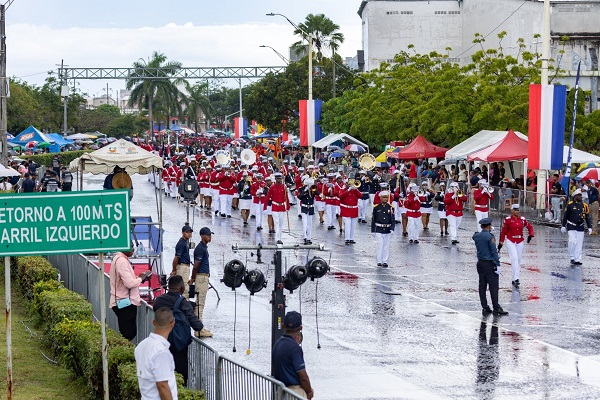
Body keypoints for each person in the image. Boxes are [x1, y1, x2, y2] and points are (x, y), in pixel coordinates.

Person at [153, 275, 203, 386]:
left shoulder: (159, 301)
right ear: (182, 289)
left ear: (168, 286)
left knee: (163, 375)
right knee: (180, 378)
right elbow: (198, 326)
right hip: (179, 347)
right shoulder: (183, 303)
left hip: (161, 343)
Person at [135, 307, 178, 400]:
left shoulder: (141, 346)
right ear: (172, 324)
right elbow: (162, 386)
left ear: (153, 322)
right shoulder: (161, 352)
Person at [110, 247, 151, 340]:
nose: (133, 249)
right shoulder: (122, 261)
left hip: (122, 301)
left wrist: (139, 278)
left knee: (127, 333)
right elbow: (129, 284)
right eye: (131, 246)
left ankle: (125, 352)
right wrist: (140, 279)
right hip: (125, 302)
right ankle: (124, 353)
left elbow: (126, 280)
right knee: (128, 334)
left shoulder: (119, 259)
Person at [271, 311, 314, 399]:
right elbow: (303, 377)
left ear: (283, 325)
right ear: (300, 328)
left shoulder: (277, 344)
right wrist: (309, 391)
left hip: (280, 391)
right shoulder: (295, 348)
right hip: (294, 393)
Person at [472, 218, 508, 316]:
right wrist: (497, 264)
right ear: (489, 226)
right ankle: (496, 307)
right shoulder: (490, 237)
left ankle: (485, 306)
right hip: (489, 264)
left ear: (481, 226)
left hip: (480, 263)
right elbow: (494, 252)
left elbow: (475, 235)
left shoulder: (476, 236)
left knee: (482, 286)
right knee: (493, 287)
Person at [498, 204, 534, 287]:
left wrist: (530, 235)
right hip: (510, 240)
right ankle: (516, 278)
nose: (517, 211)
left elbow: (530, 227)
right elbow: (503, 232)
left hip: (520, 241)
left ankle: (514, 278)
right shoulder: (507, 220)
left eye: (518, 210)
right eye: (515, 210)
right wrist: (501, 243)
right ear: (512, 211)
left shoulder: (522, 219)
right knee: (514, 258)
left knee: (518, 260)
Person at [189, 227, 214, 338]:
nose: (210, 237)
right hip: (201, 277)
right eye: (208, 235)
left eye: (210, 235)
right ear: (202, 236)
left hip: (203, 277)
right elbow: (196, 266)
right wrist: (193, 278)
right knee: (200, 304)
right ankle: (198, 329)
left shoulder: (203, 247)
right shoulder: (200, 248)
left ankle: (200, 327)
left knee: (200, 303)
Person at [561, 189, 593, 265]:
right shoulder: (570, 204)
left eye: (581, 195)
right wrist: (563, 225)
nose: (580, 197)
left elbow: (587, 217)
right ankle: (572, 256)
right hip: (571, 225)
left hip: (580, 226)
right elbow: (565, 216)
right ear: (575, 196)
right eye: (578, 195)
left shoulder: (584, 206)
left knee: (579, 243)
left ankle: (577, 259)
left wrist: (589, 227)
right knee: (572, 241)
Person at [264, 172, 290, 244]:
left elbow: (286, 197)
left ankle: (280, 238)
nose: (279, 180)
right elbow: (267, 197)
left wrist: (287, 206)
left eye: (280, 178)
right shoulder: (272, 187)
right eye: (278, 178)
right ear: (275, 179)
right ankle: (277, 239)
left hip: (282, 207)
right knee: (277, 222)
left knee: (281, 223)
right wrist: (265, 207)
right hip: (275, 206)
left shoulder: (283, 187)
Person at [371, 191, 395, 267]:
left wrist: (392, 228)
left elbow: (392, 219)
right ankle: (379, 260)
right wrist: (373, 230)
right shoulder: (376, 207)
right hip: (379, 228)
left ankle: (385, 261)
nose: (385, 199)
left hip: (387, 229)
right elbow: (373, 219)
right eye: (384, 197)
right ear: (380, 198)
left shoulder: (391, 207)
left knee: (386, 246)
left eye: (386, 197)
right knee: (380, 244)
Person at [171, 225, 193, 299]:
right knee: (184, 287)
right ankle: (184, 303)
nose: (189, 234)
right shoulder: (181, 243)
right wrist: (174, 270)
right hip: (182, 266)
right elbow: (176, 258)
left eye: (190, 232)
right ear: (182, 233)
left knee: (184, 286)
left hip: (185, 266)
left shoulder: (185, 242)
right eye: (187, 232)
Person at [339, 179, 362, 245]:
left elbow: (360, 196)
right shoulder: (342, 190)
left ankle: (351, 238)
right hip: (346, 210)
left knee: (352, 225)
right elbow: (341, 196)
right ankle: (347, 239)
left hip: (354, 210)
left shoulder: (354, 191)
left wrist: (356, 189)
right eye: (347, 183)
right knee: (347, 225)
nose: (349, 185)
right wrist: (348, 190)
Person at [298, 178, 318, 244]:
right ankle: (305, 237)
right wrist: (305, 191)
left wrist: (313, 188)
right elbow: (299, 197)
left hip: (311, 208)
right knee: (305, 223)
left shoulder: (312, 188)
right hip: (304, 207)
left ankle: (309, 237)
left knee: (310, 224)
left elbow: (317, 193)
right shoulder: (302, 188)